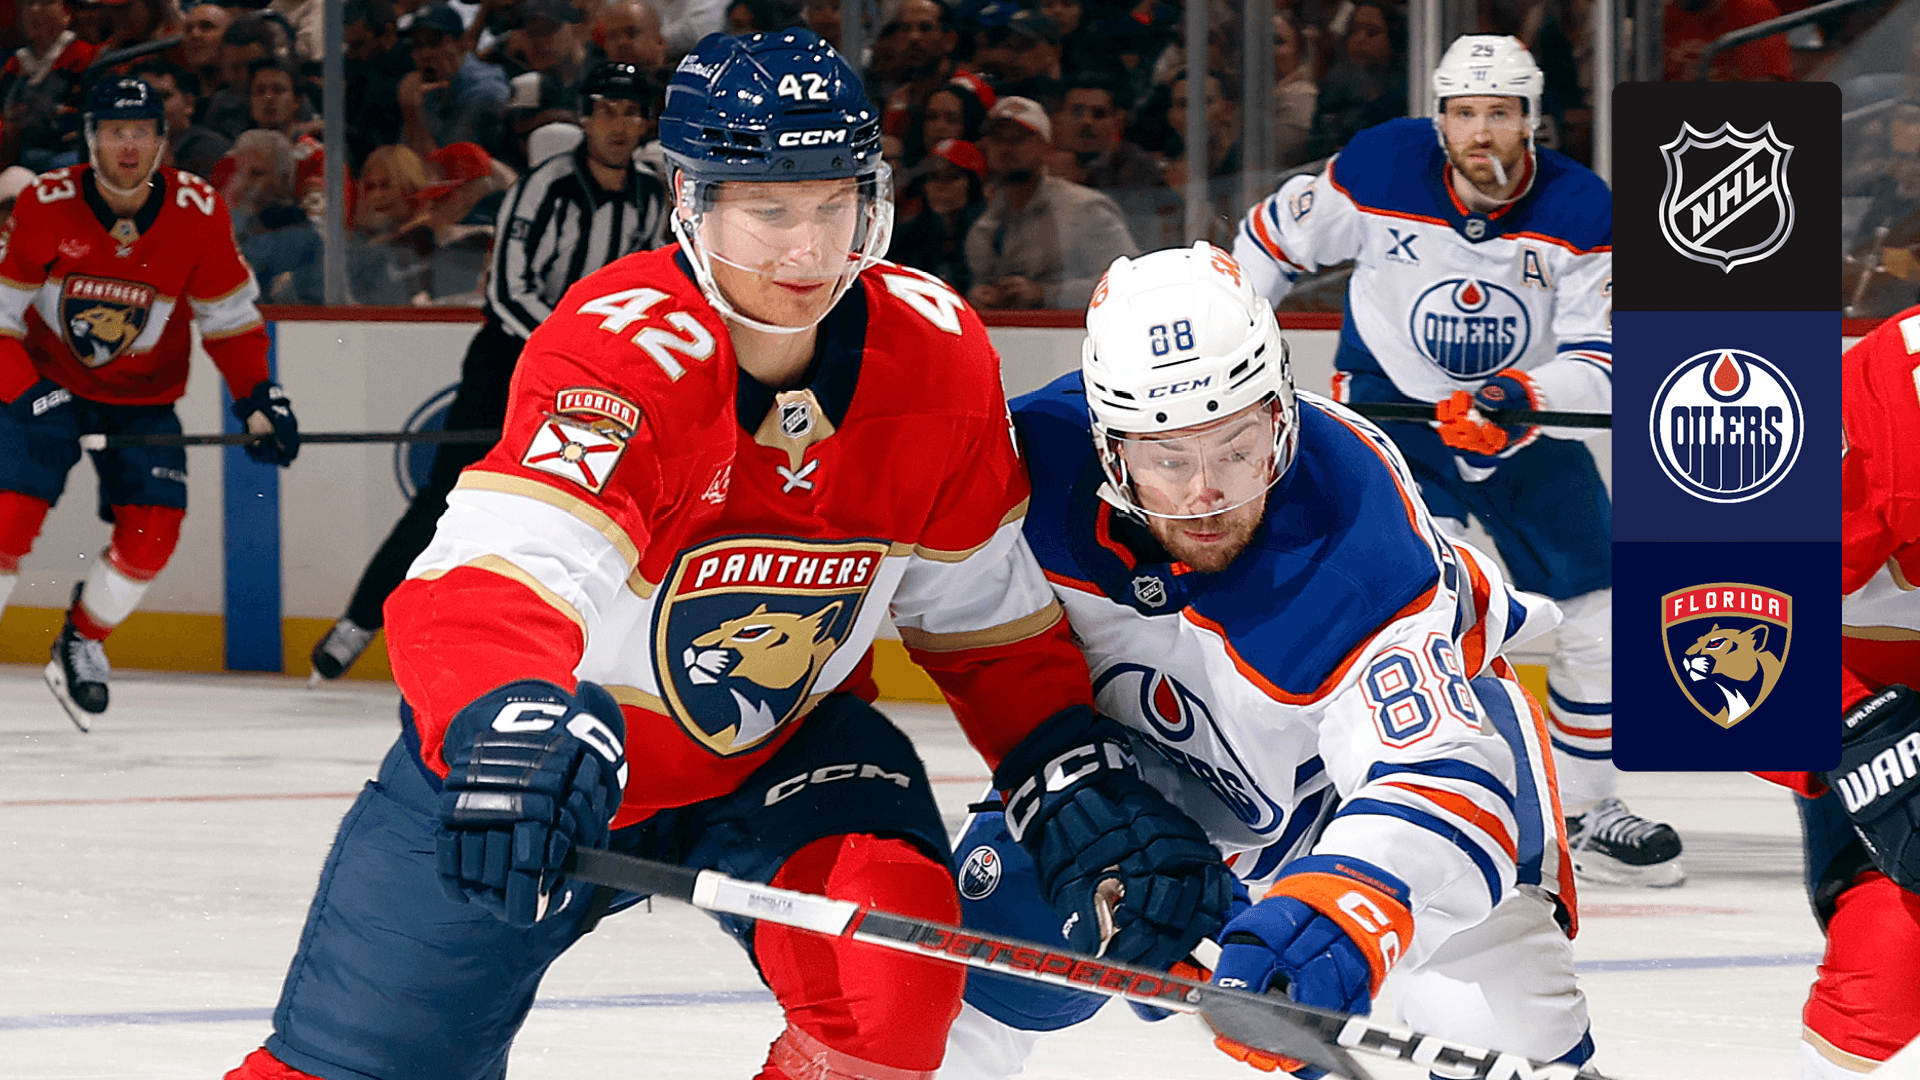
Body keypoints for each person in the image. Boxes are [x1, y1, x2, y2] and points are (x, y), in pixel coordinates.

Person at [231, 28, 1228, 1080]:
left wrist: (1064, 775)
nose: (809, 251)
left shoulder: (935, 357)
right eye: (770, 211)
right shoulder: (622, 349)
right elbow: (495, 573)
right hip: (557, 764)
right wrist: (508, 724)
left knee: (889, 983)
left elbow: (983, 622)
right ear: (690, 202)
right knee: (350, 1068)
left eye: (836, 205)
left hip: (781, 756)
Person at [938, 240, 1593, 1077]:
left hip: (1349, 787)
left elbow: (1438, 771)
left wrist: (1342, 907)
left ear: (1281, 411)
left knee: (1503, 1021)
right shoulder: (1023, 473)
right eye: (1168, 459)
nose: (1206, 494)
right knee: (982, 964)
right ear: (1110, 445)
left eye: (1237, 447)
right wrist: (1090, 805)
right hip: (1147, 772)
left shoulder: (1352, 527)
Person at [1230, 36, 1662, 887]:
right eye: (1464, 112)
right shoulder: (1381, 167)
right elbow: (1268, 242)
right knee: (1413, 609)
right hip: (1398, 426)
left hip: (1523, 425)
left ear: (1531, 120)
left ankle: (1587, 810)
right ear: (1440, 119)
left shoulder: (1582, 208)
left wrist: (1520, 398)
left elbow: (1607, 356)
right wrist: (1243, 349)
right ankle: (1380, 795)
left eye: (1499, 113)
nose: (1481, 132)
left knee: (1603, 621)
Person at [308, 60, 670, 681]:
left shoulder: (650, 196)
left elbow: (648, 287)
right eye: (606, 110)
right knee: (448, 498)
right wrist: (574, 353)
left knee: (585, 503)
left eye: (631, 112)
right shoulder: (544, 187)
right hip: (508, 365)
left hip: (596, 380)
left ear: (645, 124)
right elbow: (507, 292)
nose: (618, 124)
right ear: (585, 118)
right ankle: (358, 623)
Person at [0, 76, 299, 730]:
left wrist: (258, 397)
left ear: (163, 139)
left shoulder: (199, 212)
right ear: (91, 140)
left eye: (141, 132)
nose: (128, 147)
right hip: (45, 388)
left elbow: (229, 320)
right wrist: (29, 393)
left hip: (142, 399)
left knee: (152, 536)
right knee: (6, 522)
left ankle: (81, 641)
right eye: (115, 133)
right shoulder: (46, 204)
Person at [1790, 308, 1920, 1078]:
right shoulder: (1894, 394)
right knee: (1893, 960)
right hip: (1878, 691)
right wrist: (1859, 730)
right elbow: (1711, 607)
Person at [965, 95, 1137, 310]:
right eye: (997, 139)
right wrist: (981, 297)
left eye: (1018, 139)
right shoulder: (984, 225)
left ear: (1045, 146)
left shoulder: (1085, 208)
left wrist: (1046, 294)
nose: (1006, 148)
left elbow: (1129, 281)